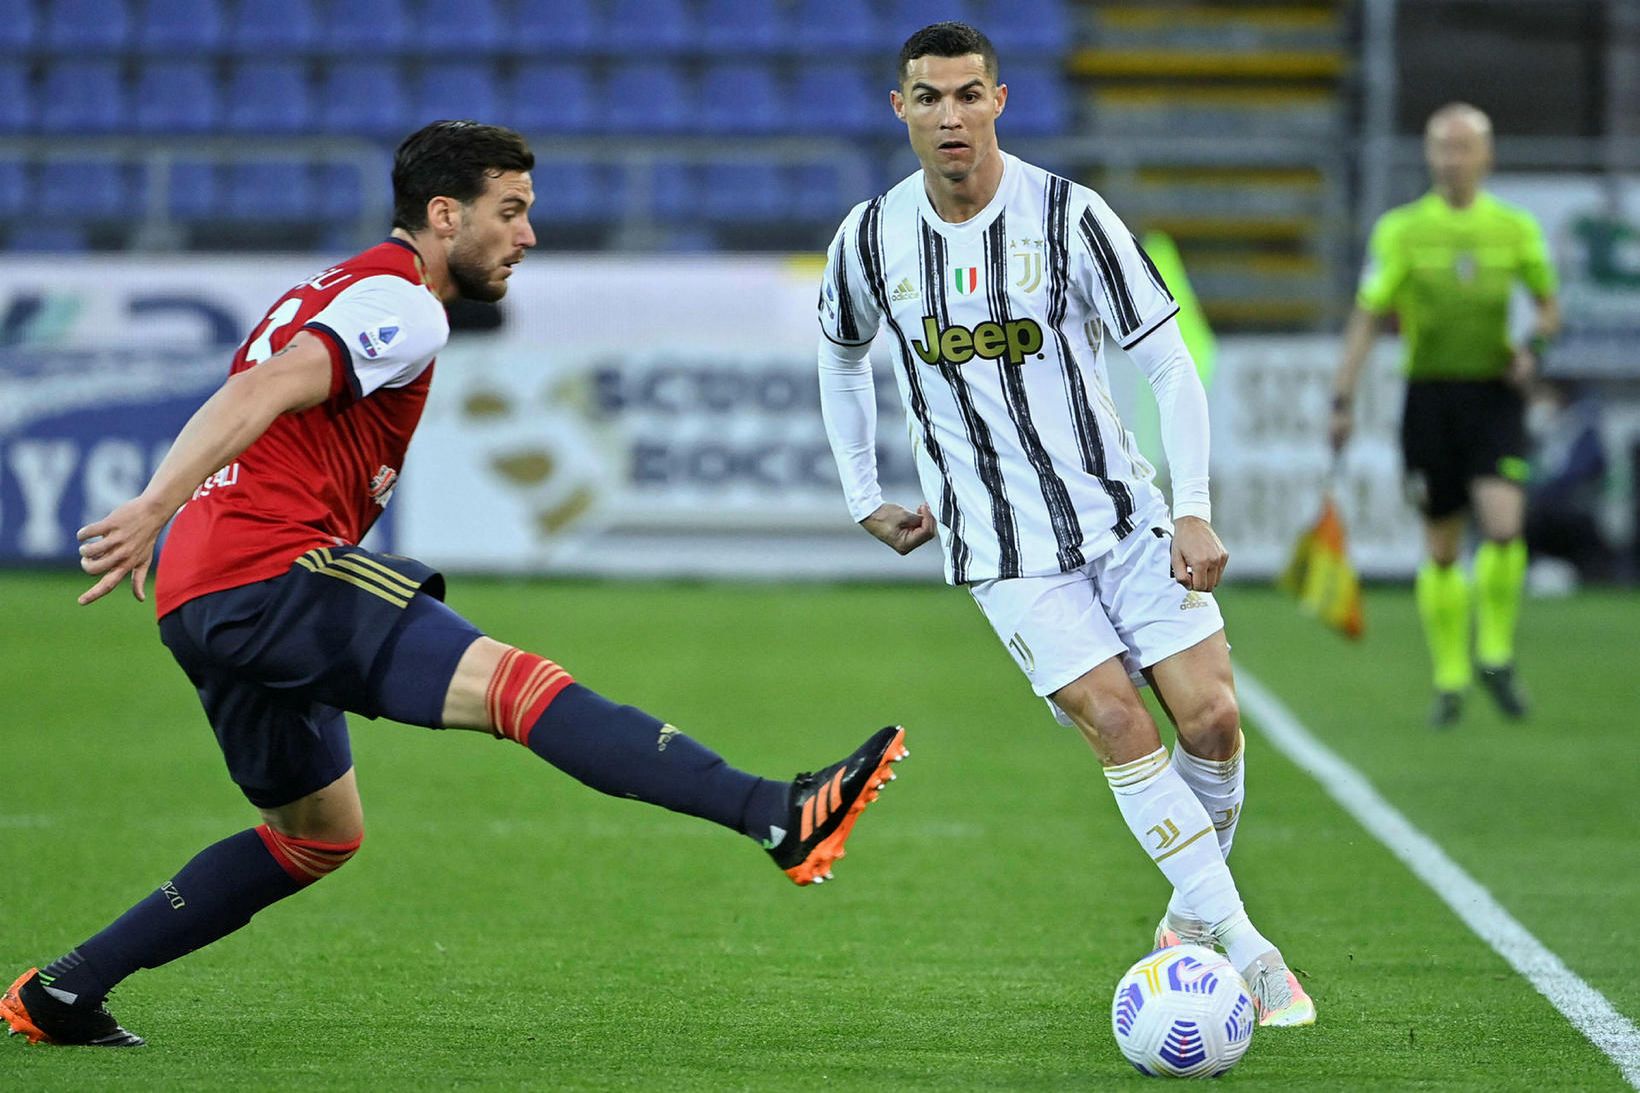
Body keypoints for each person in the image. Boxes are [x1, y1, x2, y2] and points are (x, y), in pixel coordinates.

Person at [1, 121, 908, 1049]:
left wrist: (176, 518)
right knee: (516, 687)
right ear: (445, 215)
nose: (527, 236)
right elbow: (260, 390)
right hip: (269, 568)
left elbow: (263, 393)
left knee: (316, 834)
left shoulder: (346, 284)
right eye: (509, 212)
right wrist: (156, 503)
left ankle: (61, 991)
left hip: (209, 591)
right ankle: (774, 811)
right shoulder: (404, 301)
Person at [815, 23, 1313, 1028]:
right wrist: (858, 489)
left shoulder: (1069, 216)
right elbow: (839, 352)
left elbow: (1167, 362)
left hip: (1123, 516)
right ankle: (1251, 951)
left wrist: (1190, 508)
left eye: (965, 95)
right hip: (1000, 547)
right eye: (927, 98)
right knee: (1118, 720)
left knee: (1211, 720)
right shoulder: (870, 237)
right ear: (899, 110)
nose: (947, 116)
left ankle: (1188, 918)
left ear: (998, 101)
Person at [1330, 103, 1560, 727]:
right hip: (1429, 398)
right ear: (1429, 156)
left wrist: (1532, 350)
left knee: (1505, 524)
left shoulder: (1514, 229)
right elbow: (1369, 315)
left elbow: (1546, 308)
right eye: (1441, 147)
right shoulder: (1402, 231)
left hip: (1493, 396)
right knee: (1441, 544)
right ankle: (1451, 678)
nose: (1451, 159)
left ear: (1486, 156)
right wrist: (1342, 398)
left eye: (1463, 147)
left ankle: (1495, 653)